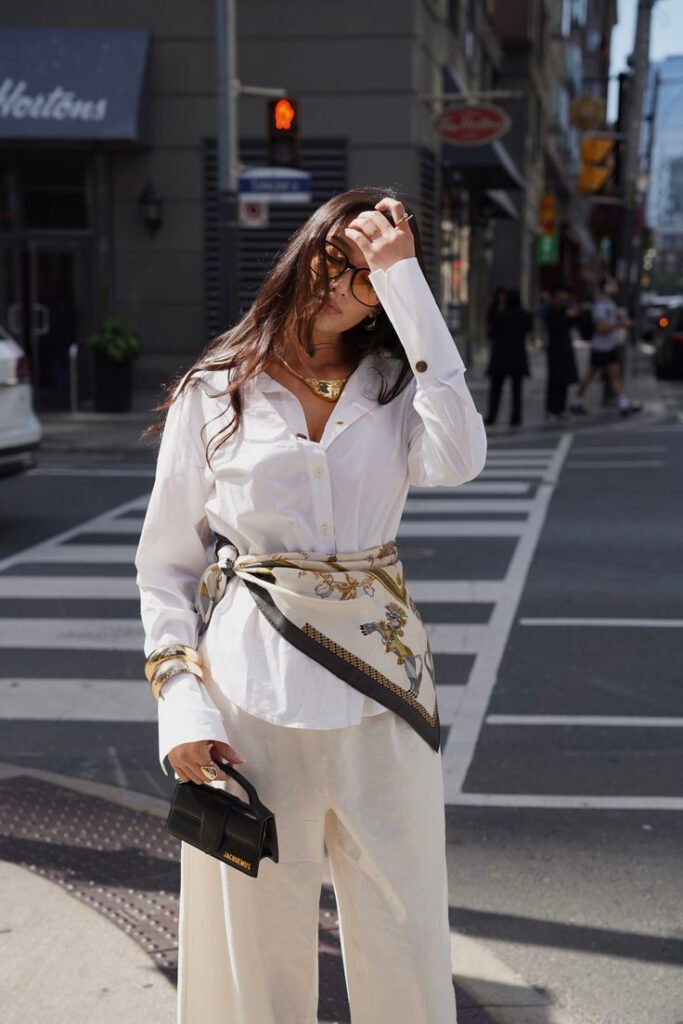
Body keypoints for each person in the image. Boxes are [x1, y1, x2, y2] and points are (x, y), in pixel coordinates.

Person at [134, 186, 487, 1024]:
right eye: (334, 263)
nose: (341, 285)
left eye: (365, 276)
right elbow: (166, 568)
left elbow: (462, 458)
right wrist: (180, 707)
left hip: (381, 692)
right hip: (249, 701)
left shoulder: (400, 389)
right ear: (301, 257)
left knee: (405, 936)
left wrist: (405, 284)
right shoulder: (215, 390)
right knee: (250, 949)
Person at [570, 276, 642, 417]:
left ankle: (623, 403)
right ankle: (577, 400)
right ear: (607, 287)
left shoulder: (609, 304)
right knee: (591, 375)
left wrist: (621, 320)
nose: (616, 288)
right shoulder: (601, 306)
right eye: (613, 285)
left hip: (608, 346)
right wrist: (619, 324)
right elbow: (602, 328)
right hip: (601, 347)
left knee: (611, 375)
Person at [484, 288, 533, 427]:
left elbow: (491, 333)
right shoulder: (524, 315)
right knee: (517, 390)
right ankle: (516, 417)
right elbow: (529, 329)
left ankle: (492, 416)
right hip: (518, 356)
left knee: (496, 389)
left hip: (501, 356)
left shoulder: (501, 315)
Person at [543, 284, 579, 422]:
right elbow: (554, 327)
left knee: (564, 380)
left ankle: (560, 409)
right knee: (554, 380)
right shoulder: (551, 311)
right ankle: (551, 409)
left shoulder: (565, 310)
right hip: (555, 349)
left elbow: (571, 325)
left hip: (565, 348)